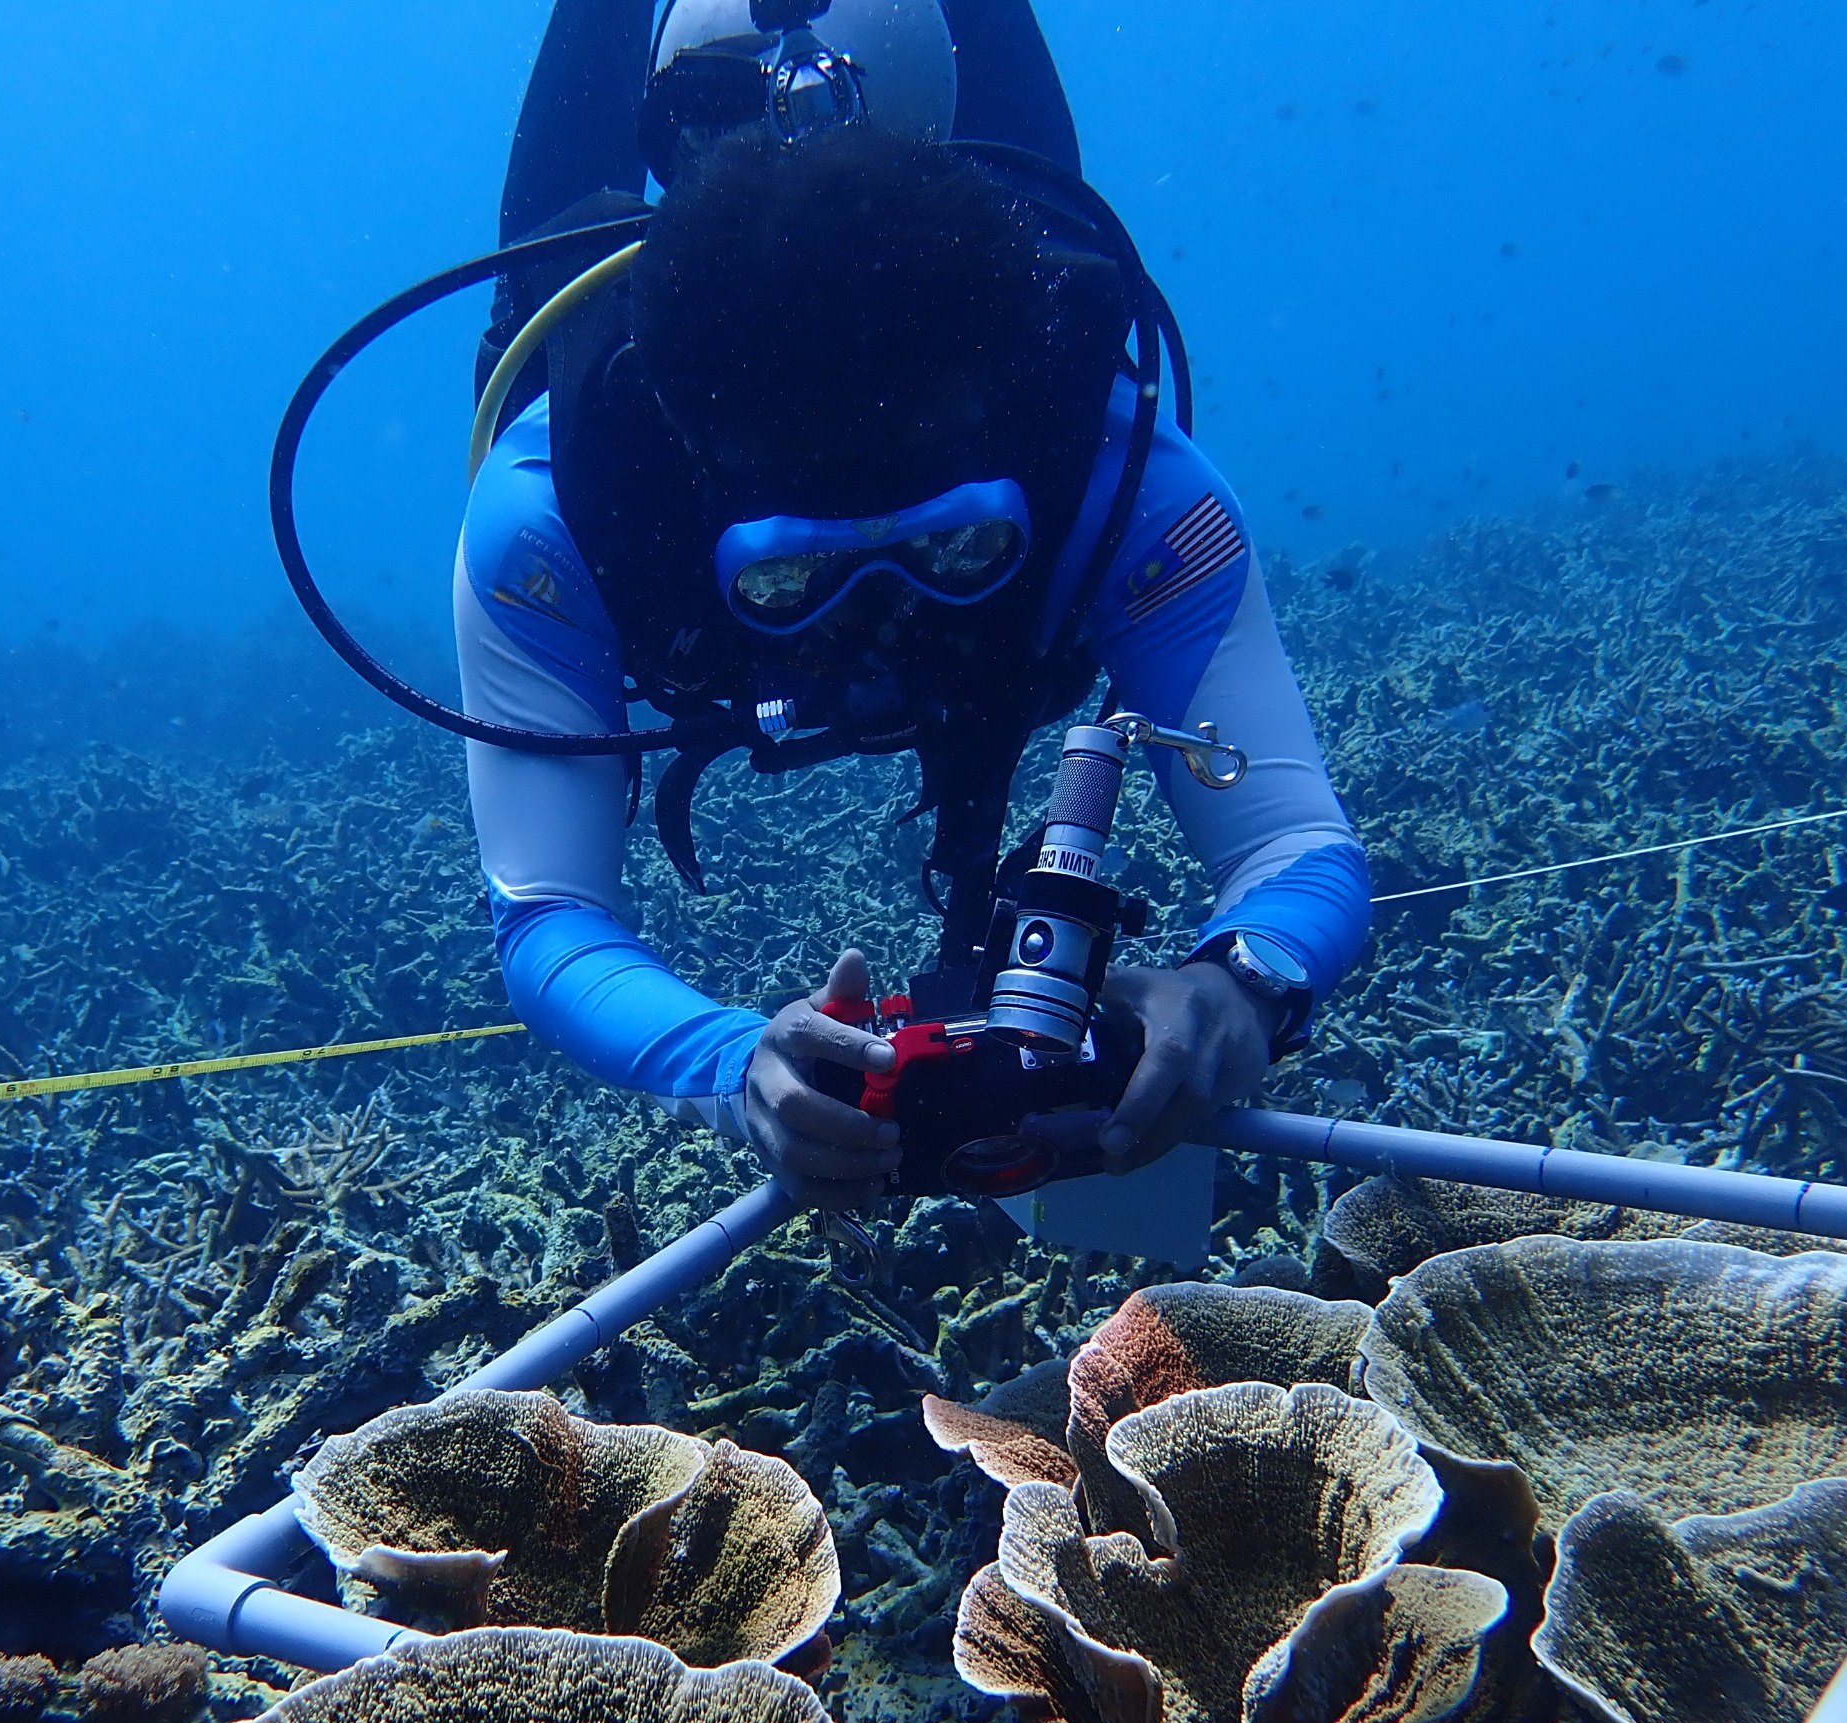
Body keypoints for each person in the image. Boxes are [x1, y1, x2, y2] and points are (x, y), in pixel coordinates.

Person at [456, 0, 1370, 1209]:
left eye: (957, 550)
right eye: (788, 575)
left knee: (1021, 184)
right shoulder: (560, 513)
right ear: (684, 453)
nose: (873, 609)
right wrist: (732, 1067)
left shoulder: (1111, 475)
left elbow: (1292, 847)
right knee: (547, 276)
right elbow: (544, 914)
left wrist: (1240, 989)